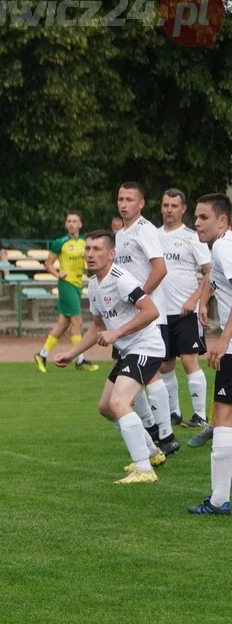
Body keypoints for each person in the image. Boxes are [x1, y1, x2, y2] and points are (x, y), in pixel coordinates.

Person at [51, 230, 167, 484]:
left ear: (111, 254)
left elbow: (151, 311)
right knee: (106, 408)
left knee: (118, 403)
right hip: (129, 351)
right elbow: (97, 326)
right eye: (88, 249)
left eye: (97, 249)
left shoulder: (121, 278)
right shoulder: (93, 284)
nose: (90, 254)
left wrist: (118, 333)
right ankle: (152, 452)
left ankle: (144, 469)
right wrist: (72, 353)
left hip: (147, 347)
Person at [114, 182, 178, 455]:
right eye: (120, 198)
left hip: (148, 314)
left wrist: (141, 298)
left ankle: (165, 433)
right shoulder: (120, 234)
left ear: (141, 203)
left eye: (129, 199)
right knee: (129, 371)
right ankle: (155, 428)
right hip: (129, 317)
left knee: (147, 372)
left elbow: (160, 268)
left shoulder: (145, 229)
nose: (123, 204)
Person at [188, 193, 232, 513]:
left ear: (222, 221)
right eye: (196, 217)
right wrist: (204, 299)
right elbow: (213, 278)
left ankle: (218, 500)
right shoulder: (220, 246)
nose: (196, 222)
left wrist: (222, 341)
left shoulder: (223, 246)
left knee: (223, 418)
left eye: (203, 217)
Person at [155, 189, 212, 435]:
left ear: (183, 209)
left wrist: (196, 300)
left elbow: (210, 271)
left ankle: (200, 415)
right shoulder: (153, 236)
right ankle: (173, 412)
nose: (169, 209)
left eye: (174, 205)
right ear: (160, 208)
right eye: (166, 205)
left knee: (190, 361)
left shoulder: (192, 237)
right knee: (166, 365)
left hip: (185, 312)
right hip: (159, 313)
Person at [33, 212, 101, 372]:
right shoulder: (60, 242)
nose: (71, 224)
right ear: (66, 225)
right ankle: (80, 360)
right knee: (77, 321)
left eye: (74, 221)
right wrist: (58, 274)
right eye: (69, 221)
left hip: (77, 284)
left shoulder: (85, 242)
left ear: (80, 225)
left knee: (63, 324)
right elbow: (48, 263)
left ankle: (42, 354)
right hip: (66, 284)